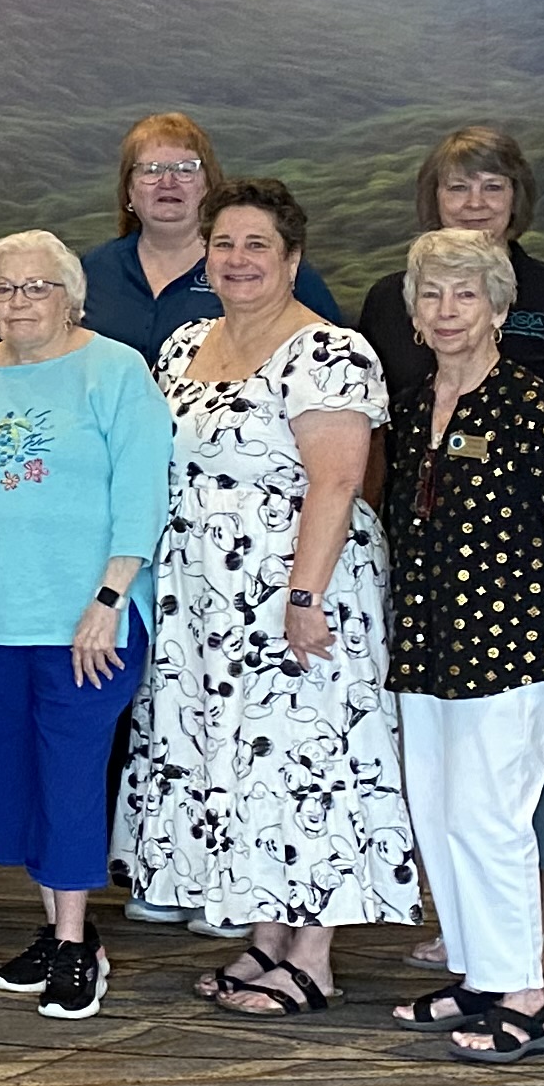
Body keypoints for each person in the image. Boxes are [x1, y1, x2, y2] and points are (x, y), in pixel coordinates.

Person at [124, 179, 414, 1015]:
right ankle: (265, 935)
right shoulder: (184, 344)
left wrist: (304, 595)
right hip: (201, 601)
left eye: (258, 245)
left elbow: (338, 483)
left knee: (307, 759)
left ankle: (313, 957)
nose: (238, 259)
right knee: (237, 761)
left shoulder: (331, 353)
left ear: (292, 258)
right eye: (224, 244)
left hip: (296, 589)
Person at [357, 124, 544, 982]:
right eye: (431, 297)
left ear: (498, 308)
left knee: (493, 819)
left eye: (465, 296)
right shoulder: (418, 406)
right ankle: (472, 971)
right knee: (442, 815)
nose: (446, 310)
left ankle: (516, 993)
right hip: (427, 647)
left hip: (511, 646)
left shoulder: (527, 406)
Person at [0, 232, 168, 1022]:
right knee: (12, 785)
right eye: (3, 289)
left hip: (86, 620)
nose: (19, 302)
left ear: (71, 297)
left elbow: (143, 494)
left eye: (37, 287)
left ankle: (74, 945)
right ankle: (60, 930)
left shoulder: (116, 369)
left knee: (70, 779)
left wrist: (109, 599)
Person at [80, 113, 342, 359]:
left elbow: (335, 354)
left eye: (185, 169)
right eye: (151, 170)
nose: (167, 182)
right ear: (128, 189)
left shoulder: (269, 268)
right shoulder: (92, 270)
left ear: (209, 184)